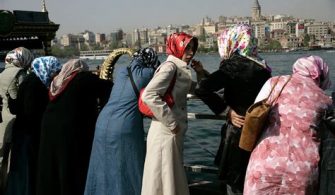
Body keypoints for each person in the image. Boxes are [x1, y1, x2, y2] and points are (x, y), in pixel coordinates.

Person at [194, 24, 272, 194]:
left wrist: (225, 110)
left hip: (237, 132)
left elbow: (202, 88)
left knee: (234, 182)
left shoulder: (233, 65)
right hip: (258, 131)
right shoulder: (263, 68)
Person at [243, 55, 332, 194]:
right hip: (302, 170)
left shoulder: (275, 82)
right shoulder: (325, 100)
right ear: (320, 74)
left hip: (266, 162)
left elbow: (255, 111)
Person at [84, 48, 159, 195]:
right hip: (124, 125)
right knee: (128, 167)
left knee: (104, 166)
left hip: (102, 122)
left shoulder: (123, 71)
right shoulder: (149, 74)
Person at [140, 32, 203, 195]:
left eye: (192, 48)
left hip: (170, 132)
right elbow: (149, 95)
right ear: (176, 47)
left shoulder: (180, 69)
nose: (190, 53)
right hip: (164, 131)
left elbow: (197, 89)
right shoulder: (170, 67)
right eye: (186, 48)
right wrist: (173, 123)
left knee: (168, 177)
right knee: (163, 178)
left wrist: (200, 72)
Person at [36, 59, 112, 195]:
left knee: (53, 166)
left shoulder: (57, 81)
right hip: (69, 130)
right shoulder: (82, 78)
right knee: (70, 167)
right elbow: (108, 87)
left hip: (49, 127)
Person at [5, 56, 62, 195]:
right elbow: (31, 111)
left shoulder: (30, 80)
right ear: (46, 68)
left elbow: (17, 107)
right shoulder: (36, 84)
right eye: (54, 71)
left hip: (23, 132)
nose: (56, 74)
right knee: (29, 169)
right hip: (30, 134)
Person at [0, 47, 33, 193]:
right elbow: (22, 96)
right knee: (13, 158)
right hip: (14, 119)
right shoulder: (20, 73)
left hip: (2, 118)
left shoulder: (2, 73)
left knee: (2, 156)